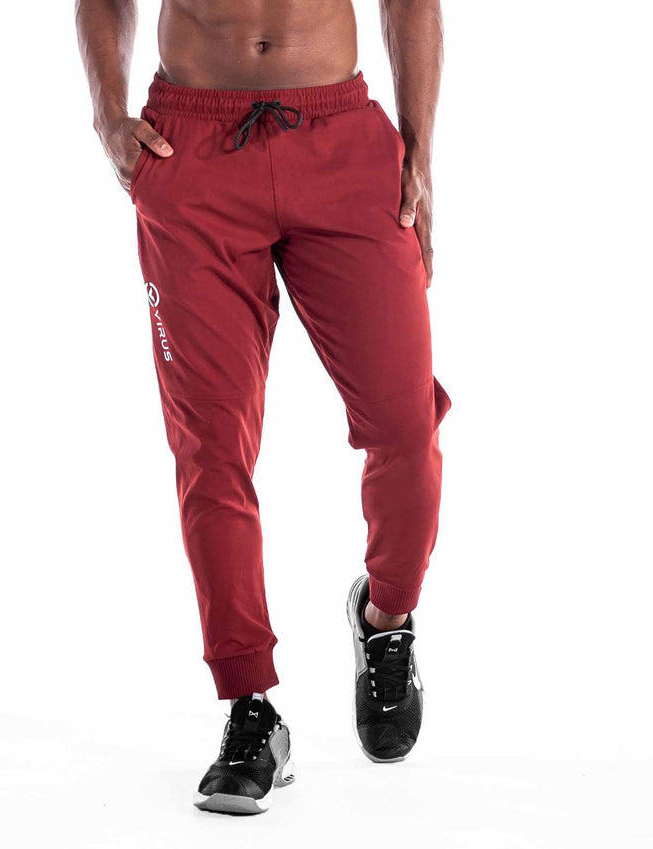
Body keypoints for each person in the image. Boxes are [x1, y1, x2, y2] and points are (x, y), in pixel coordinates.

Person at [75, 0, 450, 815]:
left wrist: (420, 147)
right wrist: (107, 113)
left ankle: (386, 613)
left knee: (404, 421)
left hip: (341, 140)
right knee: (211, 444)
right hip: (192, 145)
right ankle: (251, 706)